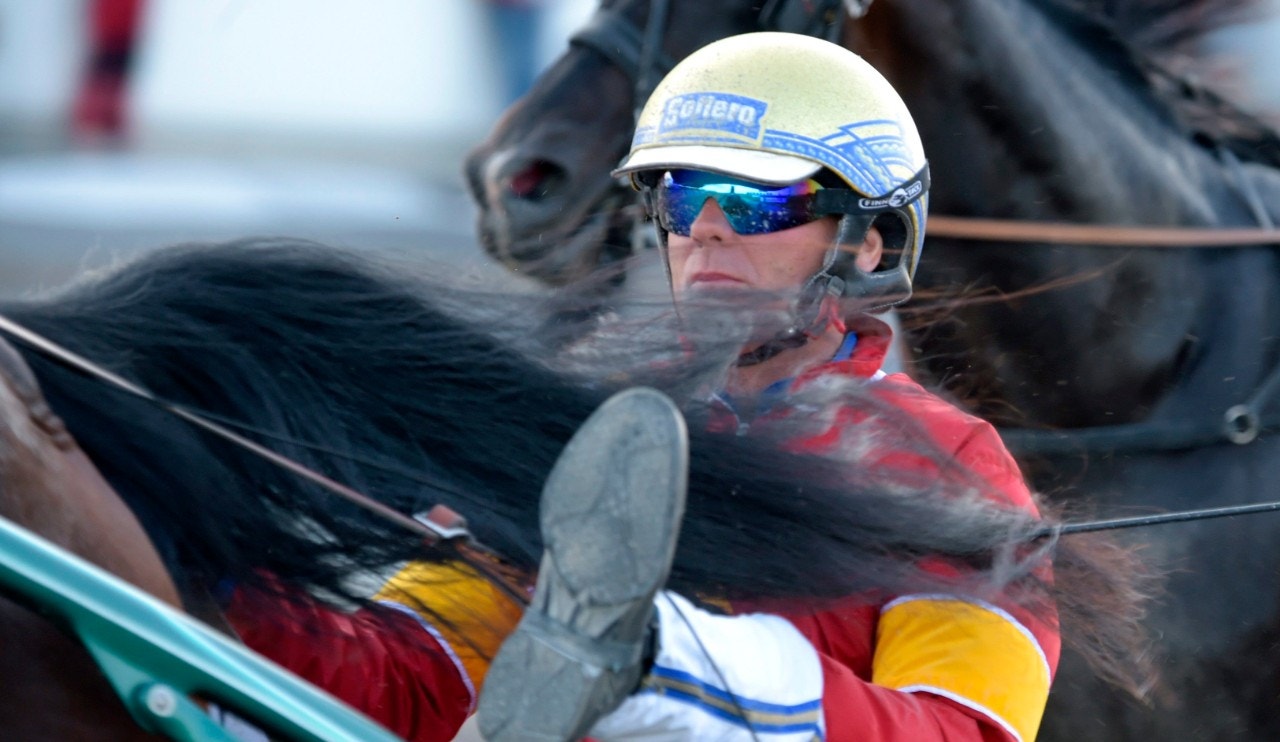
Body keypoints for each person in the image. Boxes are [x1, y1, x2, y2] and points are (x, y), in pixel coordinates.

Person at [230, 32, 1057, 742]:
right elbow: (407, 680)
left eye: (753, 198)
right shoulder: (589, 427)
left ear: (870, 240)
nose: (705, 227)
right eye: (682, 192)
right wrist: (193, 573)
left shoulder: (954, 466)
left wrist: (669, 659)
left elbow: (961, 728)